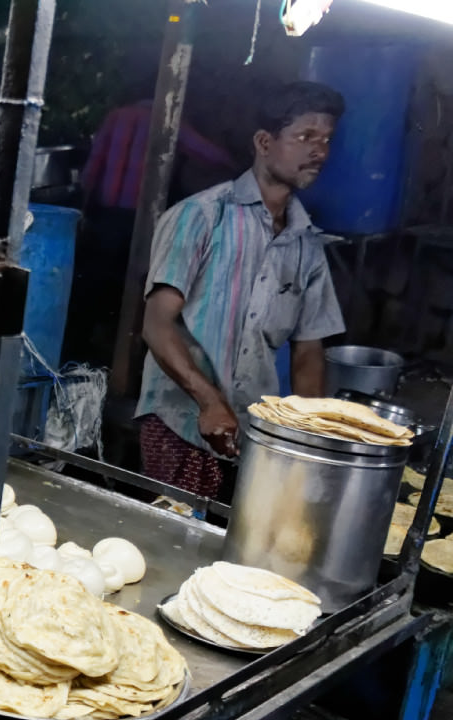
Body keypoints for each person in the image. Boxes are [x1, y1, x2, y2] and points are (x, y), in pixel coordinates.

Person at [135, 81, 347, 500]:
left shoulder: (308, 245)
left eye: (326, 140)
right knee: (172, 543)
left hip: (251, 435)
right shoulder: (200, 217)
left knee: (230, 555)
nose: (319, 151)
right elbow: (157, 325)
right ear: (264, 142)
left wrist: (309, 438)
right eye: (305, 137)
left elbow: (308, 353)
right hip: (180, 422)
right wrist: (209, 400)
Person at [65, 96, 239, 365]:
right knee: (132, 285)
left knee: (94, 282)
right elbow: (206, 153)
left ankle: (81, 348)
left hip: (104, 214)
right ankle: (120, 353)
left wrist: (85, 207)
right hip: (138, 219)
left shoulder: (116, 115)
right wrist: (239, 168)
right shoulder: (168, 118)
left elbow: (93, 166)